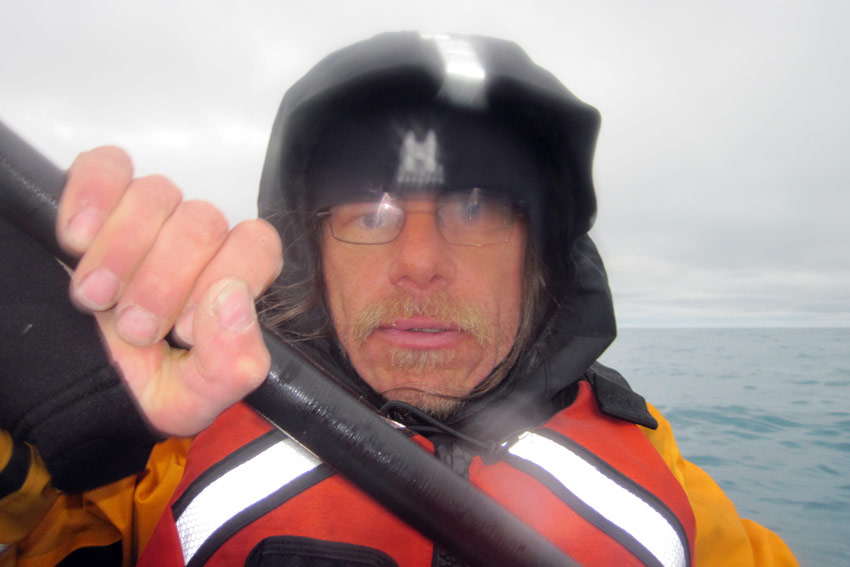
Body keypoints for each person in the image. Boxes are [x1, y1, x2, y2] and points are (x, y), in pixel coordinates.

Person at [0, 32, 797, 566]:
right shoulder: (164, 463)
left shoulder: (673, 499)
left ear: (544, 258)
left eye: (477, 209)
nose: (418, 263)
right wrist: (50, 390)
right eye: (369, 214)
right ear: (310, 254)